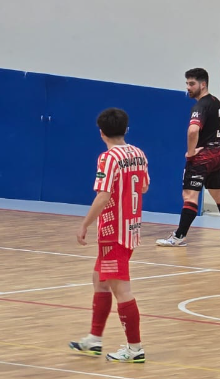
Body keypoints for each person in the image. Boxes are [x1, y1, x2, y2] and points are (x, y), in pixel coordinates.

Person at [69, 108, 149, 363]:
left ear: (101, 133)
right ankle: (94, 339)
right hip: (131, 228)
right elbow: (144, 186)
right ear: (126, 129)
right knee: (99, 280)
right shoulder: (138, 153)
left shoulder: (108, 158)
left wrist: (84, 224)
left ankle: (135, 349)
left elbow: (103, 196)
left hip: (114, 232)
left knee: (121, 289)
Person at [156, 68, 220, 247]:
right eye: (187, 83)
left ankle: (179, 236)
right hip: (217, 154)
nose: (188, 87)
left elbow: (193, 130)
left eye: (192, 84)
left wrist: (191, 152)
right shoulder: (216, 102)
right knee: (219, 194)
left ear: (203, 84)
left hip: (202, 157)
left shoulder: (200, 106)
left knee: (189, 196)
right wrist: (217, 143)